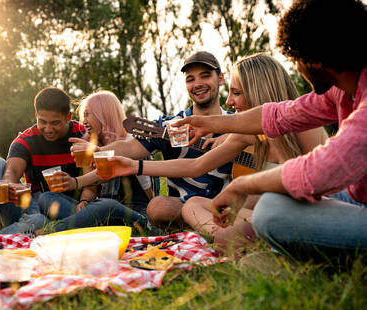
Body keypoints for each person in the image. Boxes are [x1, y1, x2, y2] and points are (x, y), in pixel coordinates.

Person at [173, 0, 367, 261]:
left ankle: (297, 256)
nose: (296, 68)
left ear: (316, 61)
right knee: (271, 204)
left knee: (271, 214)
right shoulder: (342, 89)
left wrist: (242, 185)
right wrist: (213, 123)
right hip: (358, 196)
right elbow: (280, 115)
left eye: (296, 59)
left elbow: (316, 173)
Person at [108, 53, 327, 252]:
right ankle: (225, 236)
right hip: (265, 210)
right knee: (193, 205)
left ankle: (243, 236)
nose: (230, 101)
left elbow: (316, 188)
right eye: (190, 78)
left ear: (258, 91)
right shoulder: (245, 133)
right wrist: (135, 166)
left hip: (304, 211)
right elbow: (196, 166)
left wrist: (245, 188)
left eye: (236, 93)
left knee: (264, 199)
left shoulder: (305, 127)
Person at [70, 51, 233, 232]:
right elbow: (130, 147)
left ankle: (209, 227)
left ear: (220, 78)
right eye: (190, 79)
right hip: (182, 204)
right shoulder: (172, 125)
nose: (198, 84)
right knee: (158, 207)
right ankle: (211, 226)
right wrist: (98, 151)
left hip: (230, 201)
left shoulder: (237, 123)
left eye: (205, 76)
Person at [0, 87, 96, 235]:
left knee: (40, 214)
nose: (48, 129)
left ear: (68, 117)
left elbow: (93, 180)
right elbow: (11, 170)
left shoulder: (82, 135)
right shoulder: (26, 140)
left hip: (68, 211)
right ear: (36, 114)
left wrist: (85, 202)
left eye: (55, 123)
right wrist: (9, 183)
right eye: (42, 121)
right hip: (30, 209)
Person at [39, 90, 153, 233]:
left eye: (88, 114)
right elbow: (90, 189)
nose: (83, 121)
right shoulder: (88, 145)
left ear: (104, 115)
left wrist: (75, 181)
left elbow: (149, 196)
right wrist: (84, 201)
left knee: (106, 205)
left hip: (134, 214)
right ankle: (86, 223)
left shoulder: (131, 144)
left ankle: (47, 232)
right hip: (101, 211)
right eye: (83, 116)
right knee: (47, 197)